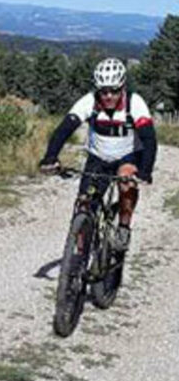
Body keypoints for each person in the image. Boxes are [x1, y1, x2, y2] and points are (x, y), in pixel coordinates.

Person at [39, 57, 158, 249]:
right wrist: (50, 157)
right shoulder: (89, 101)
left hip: (127, 156)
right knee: (83, 204)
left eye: (114, 91)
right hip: (97, 157)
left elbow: (149, 139)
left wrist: (145, 171)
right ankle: (77, 258)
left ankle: (124, 226)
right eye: (104, 91)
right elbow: (64, 130)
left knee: (126, 180)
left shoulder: (134, 103)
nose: (109, 96)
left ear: (123, 87)